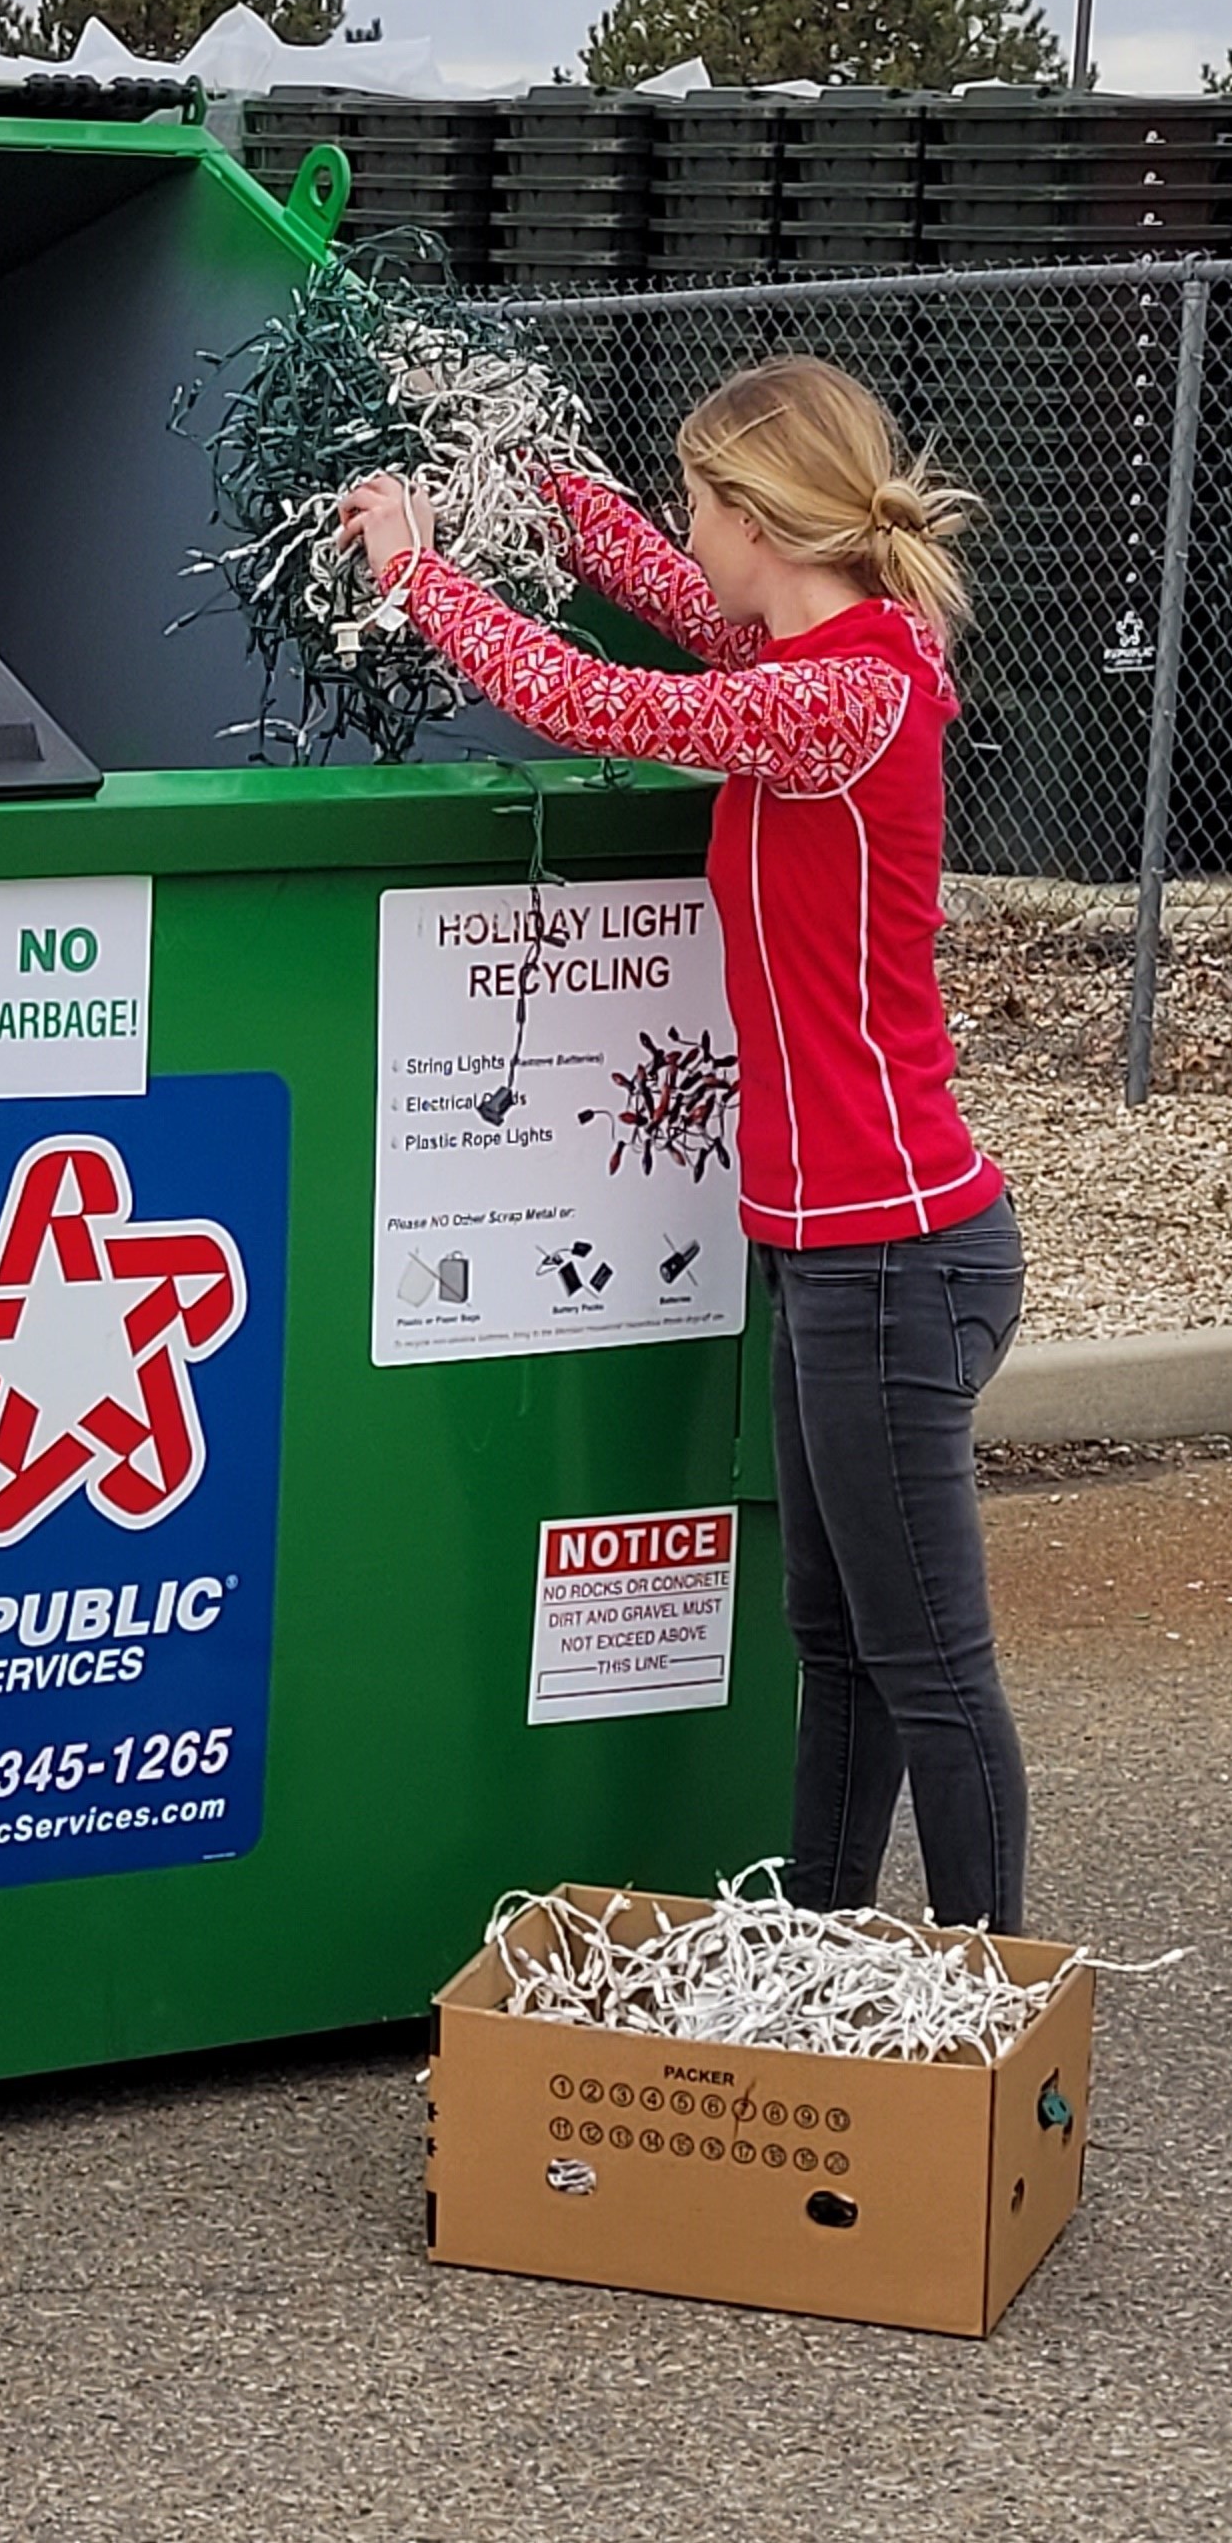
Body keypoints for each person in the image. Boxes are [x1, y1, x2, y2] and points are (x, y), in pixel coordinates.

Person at [338, 356, 1030, 1933]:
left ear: (756, 516)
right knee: (836, 1642)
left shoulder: (840, 693)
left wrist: (419, 574)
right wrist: (541, 466)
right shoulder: (825, 646)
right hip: (828, 1243)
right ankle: (821, 1951)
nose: (680, 529)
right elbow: (672, 602)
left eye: (693, 500)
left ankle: (992, 2001)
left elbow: (610, 700)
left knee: (927, 1664)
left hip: (895, 1251)